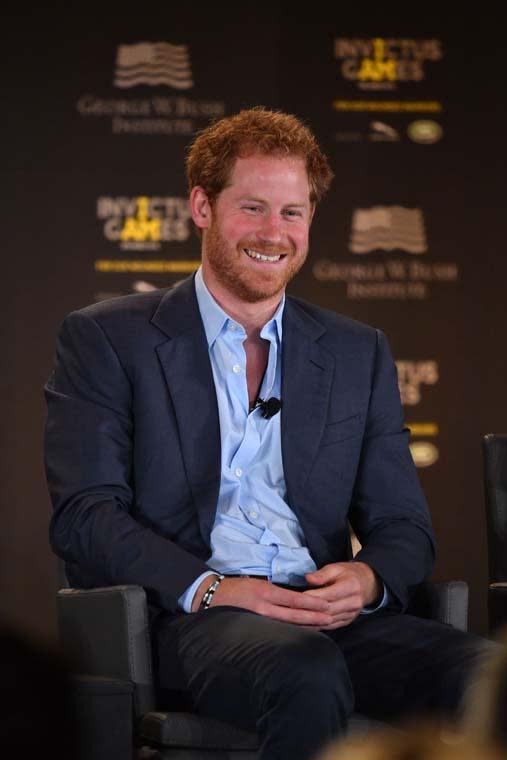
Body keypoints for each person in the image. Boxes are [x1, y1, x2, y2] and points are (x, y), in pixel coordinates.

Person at [45, 108, 488, 760]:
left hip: (326, 614)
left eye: (292, 212)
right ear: (202, 206)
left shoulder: (353, 350)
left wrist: (364, 581)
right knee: (304, 669)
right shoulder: (109, 339)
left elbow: (404, 527)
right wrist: (216, 588)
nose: (273, 233)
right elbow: (86, 516)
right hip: (196, 619)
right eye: (252, 208)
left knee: (486, 676)